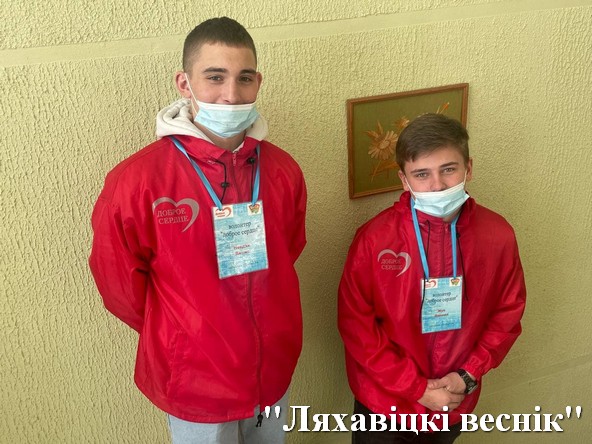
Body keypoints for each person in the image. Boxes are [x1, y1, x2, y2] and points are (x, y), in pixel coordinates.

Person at [89, 17, 307, 444]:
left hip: (272, 370)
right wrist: (183, 331)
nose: (231, 95)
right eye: (215, 77)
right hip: (195, 381)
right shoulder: (138, 181)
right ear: (184, 83)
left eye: (244, 78)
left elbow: (290, 249)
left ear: (258, 82)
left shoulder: (283, 170)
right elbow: (120, 287)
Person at [338, 113, 526, 443]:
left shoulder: (498, 236)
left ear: (469, 168)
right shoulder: (374, 240)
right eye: (422, 174)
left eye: (448, 169)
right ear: (404, 180)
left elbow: (506, 315)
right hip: (385, 405)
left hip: (454, 400)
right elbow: (357, 327)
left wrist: (467, 375)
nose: (437, 185)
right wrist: (417, 389)